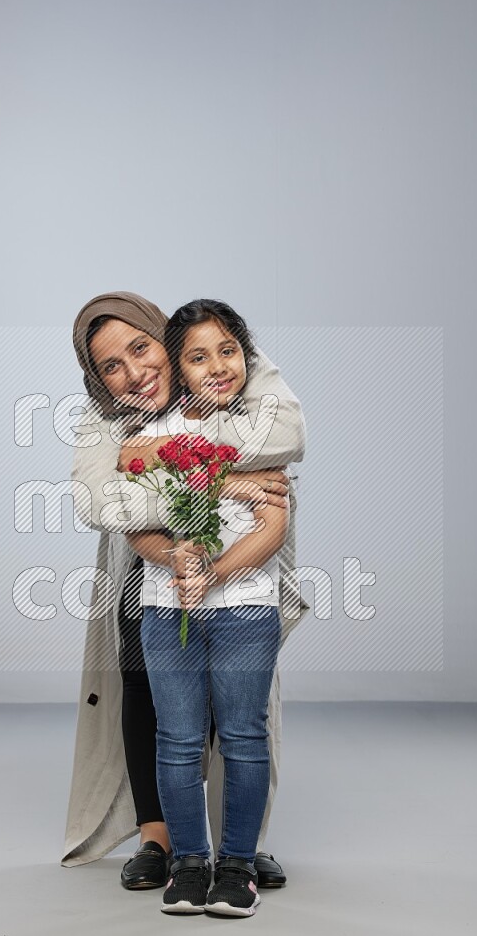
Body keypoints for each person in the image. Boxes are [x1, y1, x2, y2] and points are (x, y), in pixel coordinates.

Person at [61, 292, 307, 888]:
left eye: (142, 349)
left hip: (243, 568)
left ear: (165, 339)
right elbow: (97, 499)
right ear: (97, 378)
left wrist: (159, 461)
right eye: (111, 366)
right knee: (149, 692)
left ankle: (239, 845)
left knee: (241, 707)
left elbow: (290, 431)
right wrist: (234, 479)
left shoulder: (217, 360)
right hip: (149, 569)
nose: (134, 373)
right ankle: (158, 836)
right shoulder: (102, 416)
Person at [126, 299, 292, 917]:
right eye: (198, 356)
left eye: (228, 351)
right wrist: (175, 559)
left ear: (246, 358)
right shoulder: (153, 434)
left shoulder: (264, 430)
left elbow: (271, 526)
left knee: (245, 735)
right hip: (168, 610)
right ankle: (190, 861)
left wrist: (216, 571)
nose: (218, 366)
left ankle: (239, 866)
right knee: (177, 738)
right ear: (178, 365)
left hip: (247, 609)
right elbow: (136, 525)